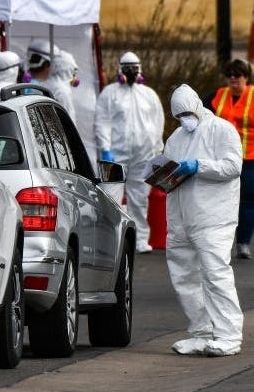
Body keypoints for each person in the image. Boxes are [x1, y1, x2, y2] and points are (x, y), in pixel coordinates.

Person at [165, 84, 243, 357]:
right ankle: (201, 332)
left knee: (215, 275)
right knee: (185, 277)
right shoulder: (176, 137)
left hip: (214, 216)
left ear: (198, 105)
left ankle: (229, 335)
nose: (184, 118)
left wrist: (199, 166)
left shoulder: (222, 129)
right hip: (182, 217)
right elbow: (171, 173)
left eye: (187, 112)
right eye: (179, 115)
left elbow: (233, 166)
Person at [94, 51, 165, 253]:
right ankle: (111, 241)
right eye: (127, 67)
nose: (131, 71)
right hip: (114, 154)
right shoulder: (110, 93)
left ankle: (139, 239)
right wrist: (105, 148)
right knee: (110, 198)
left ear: (140, 69)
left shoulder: (149, 95)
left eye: (134, 67)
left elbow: (158, 122)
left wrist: (157, 149)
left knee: (139, 198)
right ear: (120, 69)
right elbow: (102, 122)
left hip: (144, 155)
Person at [205, 58, 254, 259]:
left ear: (246, 77)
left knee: (248, 202)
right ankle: (219, 244)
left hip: (250, 158)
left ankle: (243, 243)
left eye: (238, 75)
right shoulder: (218, 96)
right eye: (229, 75)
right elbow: (198, 113)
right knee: (220, 201)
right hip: (222, 158)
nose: (233, 79)